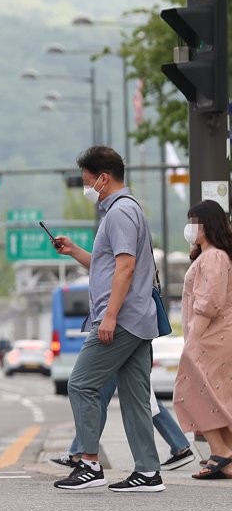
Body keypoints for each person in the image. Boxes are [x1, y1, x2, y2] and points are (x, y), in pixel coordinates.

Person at [51, 146, 163, 492]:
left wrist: (110, 316)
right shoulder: (126, 211)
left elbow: (126, 267)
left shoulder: (119, 213)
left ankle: (88, 463)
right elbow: (109, 265)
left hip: (123, 318)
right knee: (134, 397)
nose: (88, 189)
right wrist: (75, 252)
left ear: (103, 178)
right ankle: (147, 472)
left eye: (88, 182)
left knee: (81, 383)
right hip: (138, 317)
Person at [173, 199, 232, 479]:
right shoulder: (210, 255)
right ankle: (226, 458)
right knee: (216, 396)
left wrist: (193, 341)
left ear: (207, 224)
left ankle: (221, 451)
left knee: (190, 393)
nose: (189, 227)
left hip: (211, 338)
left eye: (193, 221)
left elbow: (209, 302)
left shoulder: (214, 257)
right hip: (215, 337)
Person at [51, 376, 194, 471]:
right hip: (128, 340)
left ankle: (78, 453)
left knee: (100, 398)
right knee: (145, 398)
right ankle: (179, 446)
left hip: (119, 341)